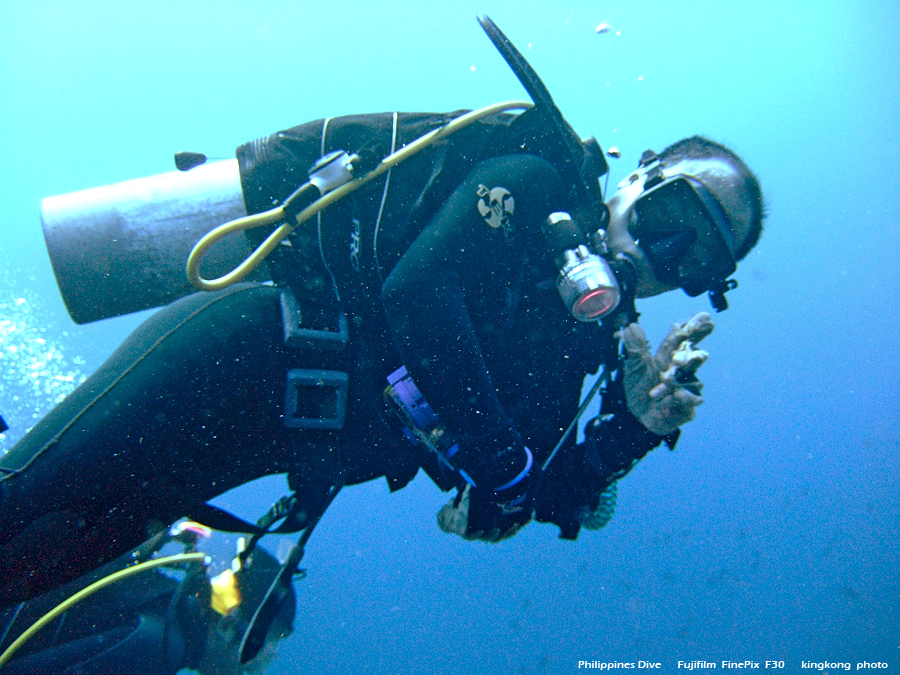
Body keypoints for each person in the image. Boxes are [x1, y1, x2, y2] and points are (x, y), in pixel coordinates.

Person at [0, 18, 764, 614]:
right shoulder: (532, 185)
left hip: (276, 447)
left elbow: (533, 496)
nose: (663, 252)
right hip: (242, 351)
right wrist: (501, 465)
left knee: (33, 566)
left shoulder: (580, 348)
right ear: (638, 179)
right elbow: (417, 295)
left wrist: (632, 427)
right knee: (21, 495)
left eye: (695, 258)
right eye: (670, 215)